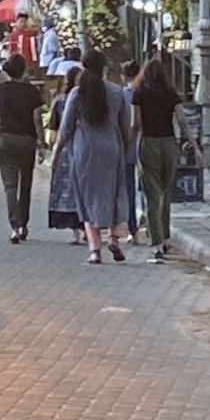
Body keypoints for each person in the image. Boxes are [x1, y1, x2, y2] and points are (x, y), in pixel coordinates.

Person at [54, 52, 135, 265]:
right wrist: (125, 149)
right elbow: (125, 127)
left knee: (87, 198)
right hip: (111, 148)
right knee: (114, 193)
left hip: (84, 150)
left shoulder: (77, 94)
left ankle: (94, 249)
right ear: (104, 68)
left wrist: (57, 152)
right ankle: (115, 239)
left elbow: (65, 128)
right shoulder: (116, 92)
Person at [131, 41, 186, 259]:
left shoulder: (139, 94)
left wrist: (130, 140)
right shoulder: (171, 93)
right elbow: (182, 120)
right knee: (166, 191)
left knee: (152, 193)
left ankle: (157, 241)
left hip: (149, 143)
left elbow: (135, 123)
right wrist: (195, 146)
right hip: (169, 143)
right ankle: (166, 236)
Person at [0, 50, 46, 240]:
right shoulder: (32, 91)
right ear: (24, 71)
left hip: (5, 139)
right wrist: (41, 142)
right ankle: (23, 225)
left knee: (10, 185)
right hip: (26, 141)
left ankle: (14, 225)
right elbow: (37, 118)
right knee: (26, 184)